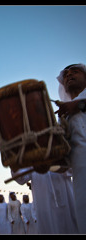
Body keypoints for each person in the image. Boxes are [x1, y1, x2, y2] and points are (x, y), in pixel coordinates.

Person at [55, 63, 86, 233]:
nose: (69, 75)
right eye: (65, 74)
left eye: (75, 72)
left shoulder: (75, 106)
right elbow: (64, 164)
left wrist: (79, 105)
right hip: (82, 181)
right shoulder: (64, 116)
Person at [12, 168, 78, 234]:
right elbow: (21, 178)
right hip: (44, 206)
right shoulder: (32, 162)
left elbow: (72, 169)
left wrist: (56, 165)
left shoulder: (62, 158)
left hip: (66, 200)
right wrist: (13, 166)